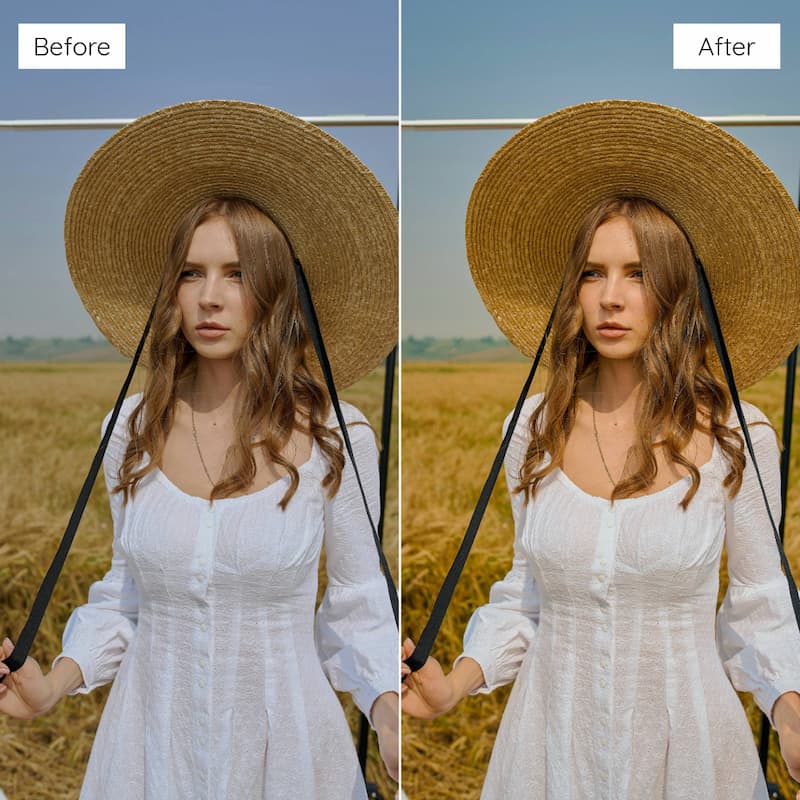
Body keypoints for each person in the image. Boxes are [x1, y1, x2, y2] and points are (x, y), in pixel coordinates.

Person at [0, 101, 399, 799]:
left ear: (275, 290)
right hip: (148, 752)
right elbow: (127, 596)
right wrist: (51, 687)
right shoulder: (129, 429)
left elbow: (359, 604)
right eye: (190, 273)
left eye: (237, 273)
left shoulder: (340, 435)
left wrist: (391, 715)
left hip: (291, 756)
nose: (209, 298)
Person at [402, 101, 800, 799]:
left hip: (692, 758)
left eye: (638, 273)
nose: (610, 298)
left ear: (677, 290)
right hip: (549, 752)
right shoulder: (531, 430)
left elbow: (761, 604)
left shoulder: (741, 436)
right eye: (592, 273)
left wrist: (791, 713)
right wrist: (453, 687)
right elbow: (528, 596)